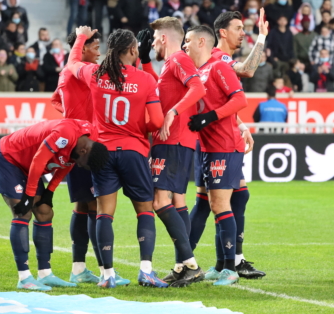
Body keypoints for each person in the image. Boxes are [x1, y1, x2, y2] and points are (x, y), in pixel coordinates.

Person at [66, 26, 167, 288]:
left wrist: (79, 38)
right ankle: (146, 271)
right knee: (144, 210)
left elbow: (73, 63)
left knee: (103, 213)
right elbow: (156, 121)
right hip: (133, 151)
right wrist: (137, 129)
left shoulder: (95, 74)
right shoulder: (146, 79)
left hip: (103, 152)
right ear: (133, 50)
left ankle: (107, 275)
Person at [0, 117, 110, 291]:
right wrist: (29, 196)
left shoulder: (89, 140)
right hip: (8, 157)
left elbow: (68, 163)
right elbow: (38, 160)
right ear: (83, 150)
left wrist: (50, 191)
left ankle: (44, 274)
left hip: (28, 165)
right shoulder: (66, 133)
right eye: (84, 163)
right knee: (23, 212)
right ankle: (24, 277)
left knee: (45, 212)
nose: (81, 166)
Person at [190, 10, 266, 280]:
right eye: (238, 28)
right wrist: (262, 38)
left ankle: (221, 262)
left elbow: (224, 100)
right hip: (216, 141)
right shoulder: (219, 59)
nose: (243, 32)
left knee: (220, 199)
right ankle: (226, 263)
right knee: (218, 201)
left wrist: (241, 125)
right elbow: (246, 71)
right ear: (222, 33)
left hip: (213, 140)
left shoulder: (208, 64)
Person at [139, 17, 205, 287]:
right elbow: (161, 88)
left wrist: (173, 112)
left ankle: (191, 264)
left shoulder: (178, 60)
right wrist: (144, 60)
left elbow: (198, 87)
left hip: (172, 138)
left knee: (158, 200)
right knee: (177, 201)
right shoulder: (171, 65)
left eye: (155, 39)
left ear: (164, 39)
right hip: (177, 140)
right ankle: (182, 265)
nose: (153, 43)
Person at [183, 25, 249, 286]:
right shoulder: (195, 72)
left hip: (224, 144)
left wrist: (210, 117)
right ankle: (216, 264)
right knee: (205, 203)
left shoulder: (218, 67)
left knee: (221, 205)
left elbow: (239, 99)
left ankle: (231, 269)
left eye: (188, 41)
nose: (184, 45)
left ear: (202, 42)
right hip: (205, 146)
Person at [51, 30, 114, 285]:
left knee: (82, 204)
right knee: (93, 206)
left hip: (80, 141)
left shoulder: (68, 76)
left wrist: (72, 112)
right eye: (95, 47)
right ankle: (103, 270)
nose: (99, 52)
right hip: (84, 144)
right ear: (82, 49)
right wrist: (82, 119)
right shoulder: (76, 72)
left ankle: (78, 268)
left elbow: (56, 100)